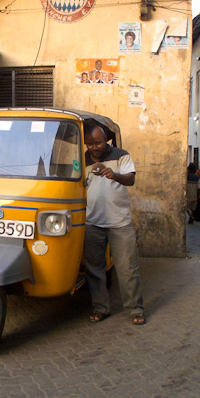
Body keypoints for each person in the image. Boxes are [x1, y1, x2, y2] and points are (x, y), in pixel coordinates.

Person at [81, 125, 145, 326]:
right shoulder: (81, 160)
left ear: (106, 139)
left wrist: (114, 174)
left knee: (127, 268)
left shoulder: (121, 155)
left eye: (98, 143)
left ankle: (135, 309)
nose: (94, 147)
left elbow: (131, 179)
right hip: (92, 222)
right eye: (90, 144)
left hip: (120, 222)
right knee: (94, 269)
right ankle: (101, 308)